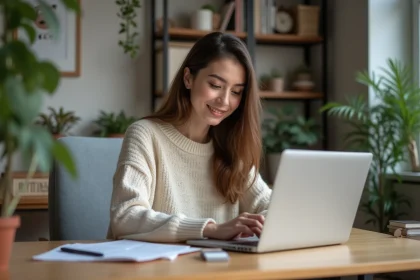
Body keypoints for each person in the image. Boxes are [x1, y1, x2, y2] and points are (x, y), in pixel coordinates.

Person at [107, 32, 272, 243]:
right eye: (215, 86)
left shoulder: (232, 145)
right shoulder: (145, 134)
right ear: (188, 78)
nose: (224, 101)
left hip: (219, 271)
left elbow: (270, 206)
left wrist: (264, 221)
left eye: (236, 92)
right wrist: (210, 229)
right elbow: (125, 217)